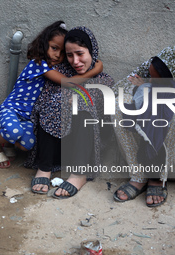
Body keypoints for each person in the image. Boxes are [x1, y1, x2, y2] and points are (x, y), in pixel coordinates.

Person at [0, 21, 103, 168]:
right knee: (14, 130)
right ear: (44, 44)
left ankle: (9, 140)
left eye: (63, 53)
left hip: (27, 117)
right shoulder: (39, 64)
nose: (57, 55)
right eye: (54, 48)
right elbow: (68, 83)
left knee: (28, 145)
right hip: (11, 110)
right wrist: (95, 70)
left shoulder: (54, 67)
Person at [112, 46, 175, 206]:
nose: (150, 80)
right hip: (142, 147)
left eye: (155, 80)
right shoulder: (158, 63)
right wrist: (152, 89)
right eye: (149, 77)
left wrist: (155, 92)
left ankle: (157, 179)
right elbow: (118, 88)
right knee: (118, 103)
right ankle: (139, 175)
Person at [26, 26, 114, 198]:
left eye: (80, 54)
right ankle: (45, 167)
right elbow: (43, 103)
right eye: (70, 55)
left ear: (92, 51)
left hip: (85, 148)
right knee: (53, 102)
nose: (75, 61)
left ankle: (79, 174)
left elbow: (104, 121)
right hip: (55, 147)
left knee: (82, 105)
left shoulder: (105, 81)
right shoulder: (60, 72)